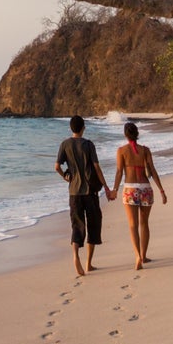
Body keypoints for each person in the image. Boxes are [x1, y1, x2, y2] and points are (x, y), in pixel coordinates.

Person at [108, 120, 168, 270]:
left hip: (130, 189)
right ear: (137, 134)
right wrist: (161, 190)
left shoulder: (121, 151)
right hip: (146, 188)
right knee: (144, 223)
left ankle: (137, 256)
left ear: (125, 135)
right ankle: (144, 255)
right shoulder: (145, 150)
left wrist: (114, 189)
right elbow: (152, 171)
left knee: (132, 225)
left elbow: (119, 172)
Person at [54, 114, 106, 277]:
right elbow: (97, 168)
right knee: (93, 225)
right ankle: (89, 263)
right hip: (90, 192)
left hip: (74, 192)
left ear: (71, 128)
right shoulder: (88, 144)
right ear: (83, 128)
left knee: (77, 225)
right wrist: (107, 187)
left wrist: (65, 177)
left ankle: (75, 255)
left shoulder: (65, 144)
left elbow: (56, 166)